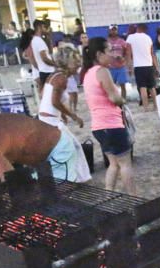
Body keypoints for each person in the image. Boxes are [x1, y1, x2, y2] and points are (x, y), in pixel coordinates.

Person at [82, 36, 134, 194]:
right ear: (99, 54)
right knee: (125, 164)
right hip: (112, 125)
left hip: (98, 127)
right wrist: (123, 99)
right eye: (109, 51)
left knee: (113, 164)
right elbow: (114, 98)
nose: (112, 54)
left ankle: (108, 194)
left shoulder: (88, 74)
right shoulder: (102, 71)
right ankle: (134, 198)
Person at [38, 49, 84, 128]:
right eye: (76, 62)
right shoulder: (61, 78)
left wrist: (62, 114)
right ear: (66, 63)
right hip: (50, 119)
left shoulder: (54, 75)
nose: (79, 64)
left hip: (45, 117)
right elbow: (55, 102)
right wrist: (74, 116)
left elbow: (42, 95)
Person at [127, 24, 159, 111]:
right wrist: (157, 67)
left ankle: (146, 107)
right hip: (149, 65)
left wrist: (130, 67)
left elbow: (128, 54)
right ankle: (156, 106)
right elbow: (152, 53)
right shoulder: (148, 38)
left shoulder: (130, 37)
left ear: (137, 28)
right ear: (145, 30)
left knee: (142, 87)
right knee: (152, 87)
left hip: (138, 66)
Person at [105, 24, 132, 100]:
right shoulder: (106, 42)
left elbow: (127, 53)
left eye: (115, 30)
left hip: (120, 67)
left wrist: (123, 59)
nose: (113, 31)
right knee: (111, 86)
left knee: (123, 85)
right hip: (110, 67)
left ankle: (123, 100)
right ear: (109, 31)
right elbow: (104, 53)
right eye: (112, 30)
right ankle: (113, 100)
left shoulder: (122, 41)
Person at [29, 19, 56, 94]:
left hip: (45, 70)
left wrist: (49, 37)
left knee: (45, 93)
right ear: (39, 27)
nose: (46, 29)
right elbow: (44, 58)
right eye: (44, 27)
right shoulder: (38, 41)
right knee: (48, 93)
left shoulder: (38, 40)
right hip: (46, 71)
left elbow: (50, 52)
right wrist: (56, 64)